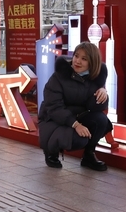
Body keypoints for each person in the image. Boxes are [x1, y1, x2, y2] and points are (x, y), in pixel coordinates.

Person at [38, 42, 113, 171]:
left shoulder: (95, 78)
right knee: (79, 139)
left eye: (84, 59)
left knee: (100, 120)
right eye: (76, 56)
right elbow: (54, 107)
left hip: (77, 116)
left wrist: (103, 93)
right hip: (54, 119)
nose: (78, 61)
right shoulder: (59, 76)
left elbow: (95, 107)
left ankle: (88, 156)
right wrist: (76, 125)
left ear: (92, 62)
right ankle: (51, 151)